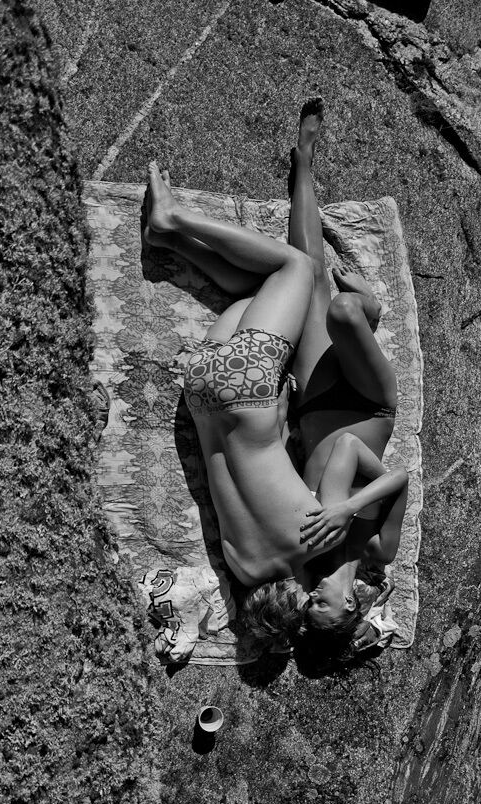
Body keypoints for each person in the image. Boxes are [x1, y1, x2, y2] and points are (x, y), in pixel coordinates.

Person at [144, 160, 341, 644]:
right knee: (259, 290)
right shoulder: (241, 566)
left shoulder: (316, 544)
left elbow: (289, 458)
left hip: (246, 388)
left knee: (296, 268)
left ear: (298, 596)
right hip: (200, 392)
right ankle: (168, 241)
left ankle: (175, 218)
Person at [286, 99, 408, 649]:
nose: (311, 600)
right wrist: (349, 507)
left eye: (307, 606)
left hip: (313, 403)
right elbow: (391, 473)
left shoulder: (308, 561)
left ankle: (304, 164)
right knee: (343, 311)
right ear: (351, 605)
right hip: (368, 404)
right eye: (322, 608)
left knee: (308, 278)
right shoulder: (378, 549)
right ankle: (370, 308)